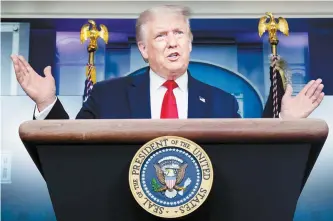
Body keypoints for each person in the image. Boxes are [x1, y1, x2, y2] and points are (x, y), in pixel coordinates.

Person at [10, 5, 324, 120]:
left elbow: (247, 163)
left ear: (189, 42)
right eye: (161, 36)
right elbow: (73, 152)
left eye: (179, 34)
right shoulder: (107, 96)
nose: (173, 42)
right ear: (144, 49)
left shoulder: (222, 103)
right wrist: (48, 103)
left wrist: (288, 125)